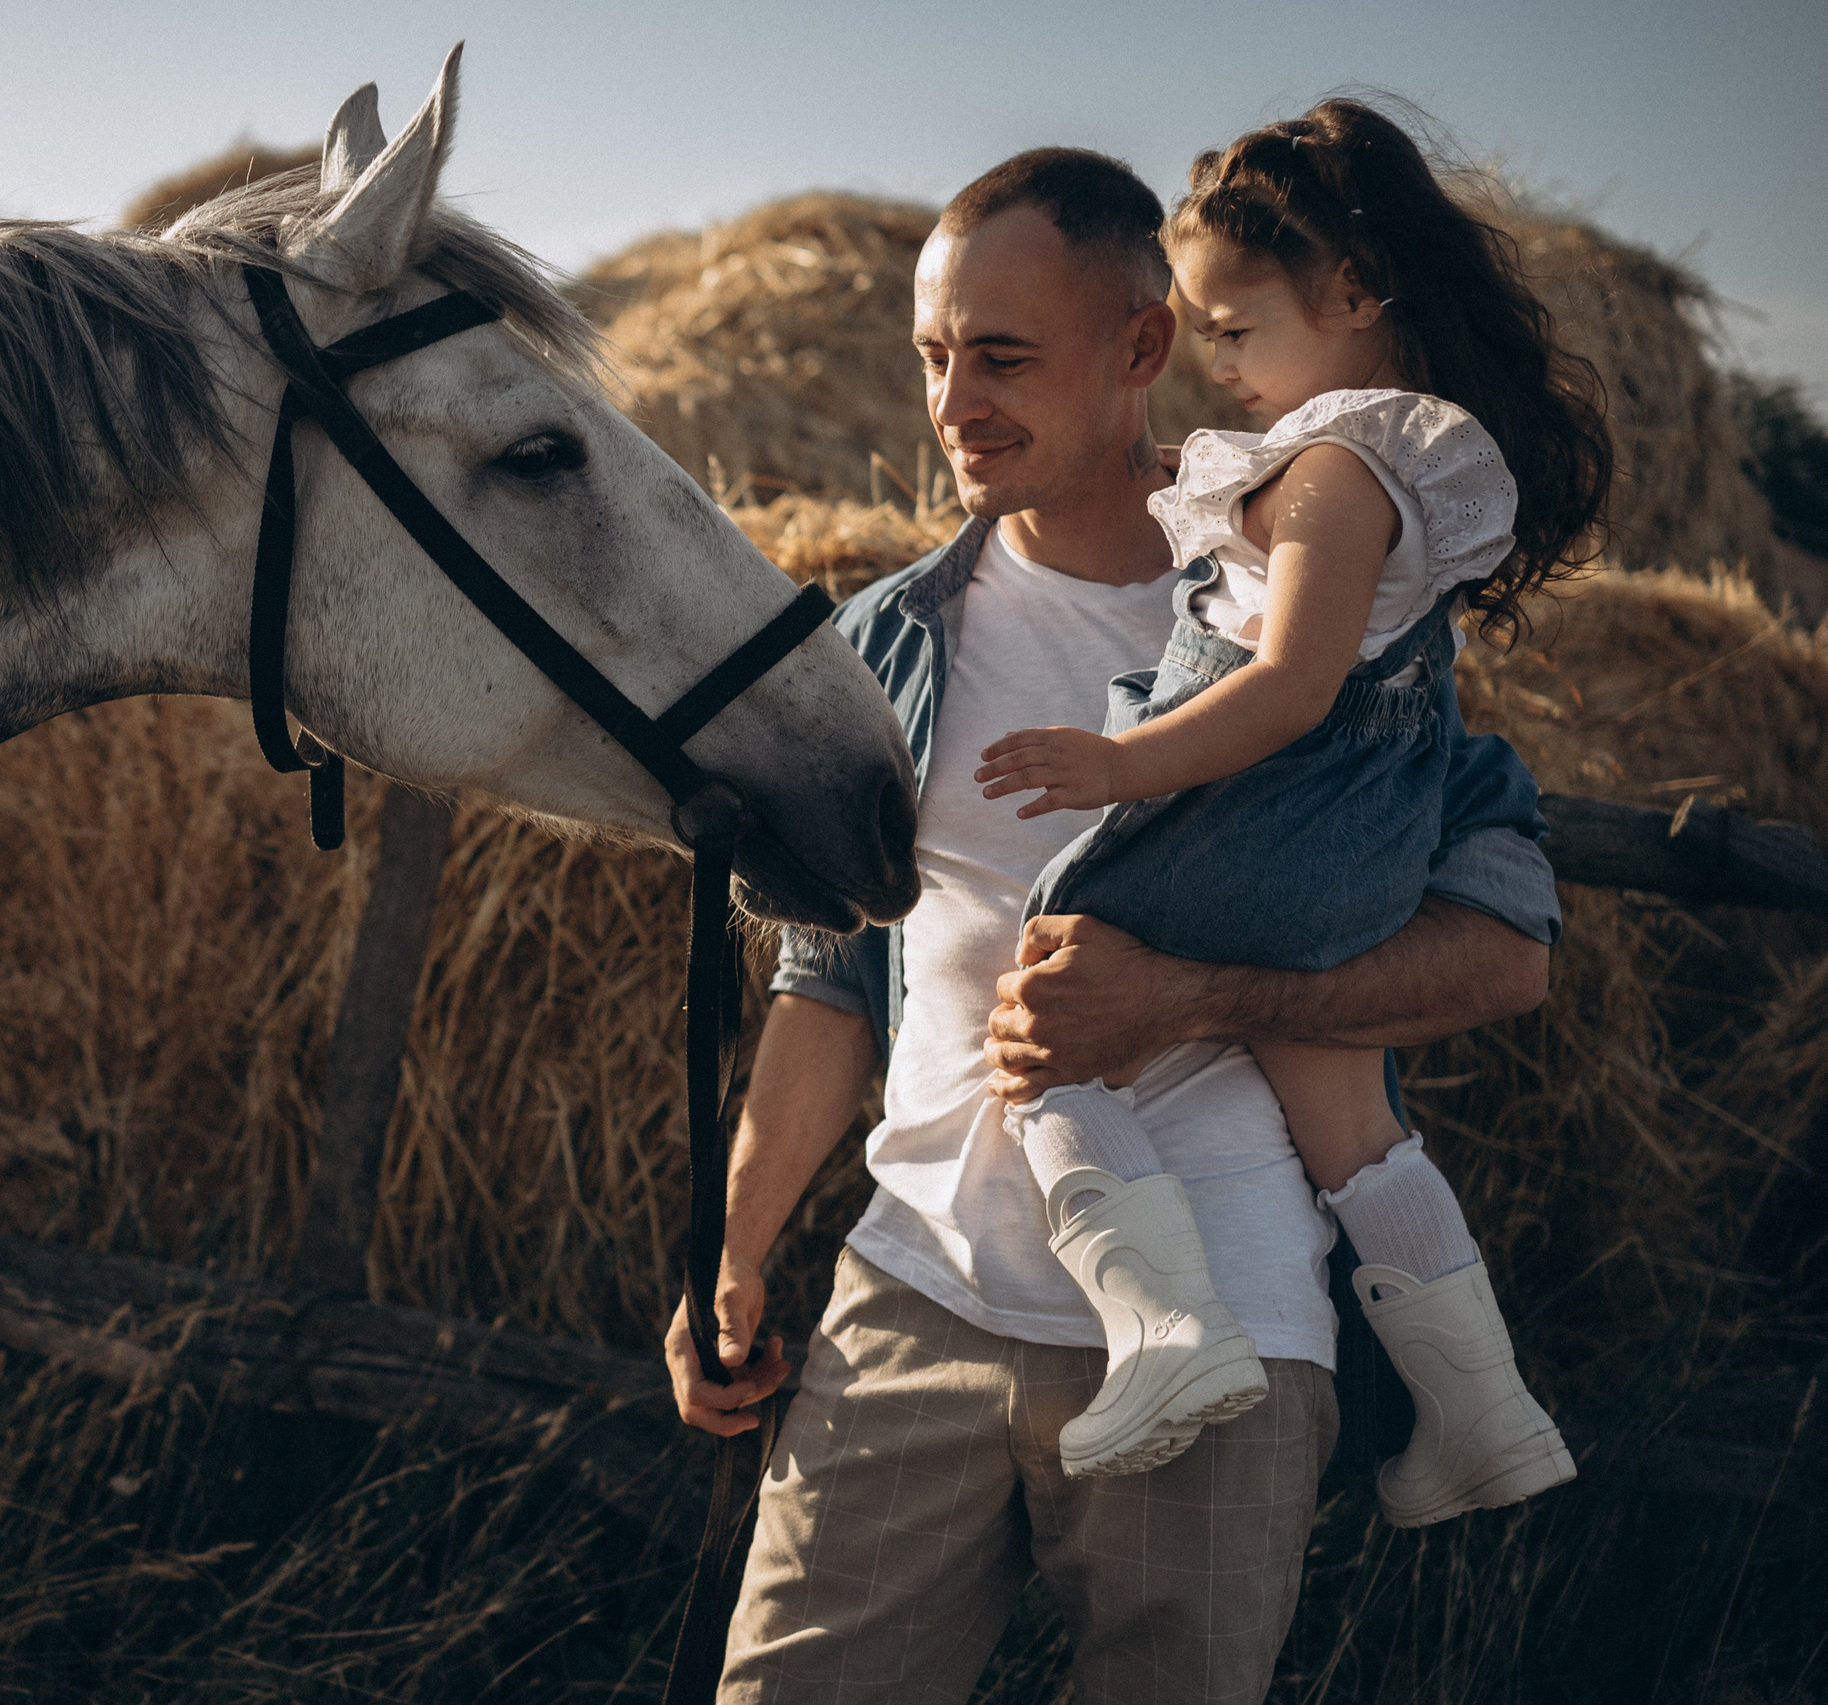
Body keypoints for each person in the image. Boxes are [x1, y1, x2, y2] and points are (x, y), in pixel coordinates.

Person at [663, 146, 1562, 1705]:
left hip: (1240, 1330)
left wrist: (1188, 994)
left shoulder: (1324, 610)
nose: (954, 404)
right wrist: (731, 1249)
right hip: (915, 1300)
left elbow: (1505, 952)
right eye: (936, 357)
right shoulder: (888, 638)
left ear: (1144, 349)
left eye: (1001, 358)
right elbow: (834, 982)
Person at [974, 100, 1611, 1517]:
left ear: (1354, 295)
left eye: (1239, 326)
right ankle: (1483, 1413)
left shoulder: (1336, 469)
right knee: (1353, 1120)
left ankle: (1165, 1327)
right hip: (1354, 876)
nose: (1217, 360)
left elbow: (1291, 690)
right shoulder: (1380, 463)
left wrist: (1120, 767)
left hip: (1275, 830)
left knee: (1046, 1020)